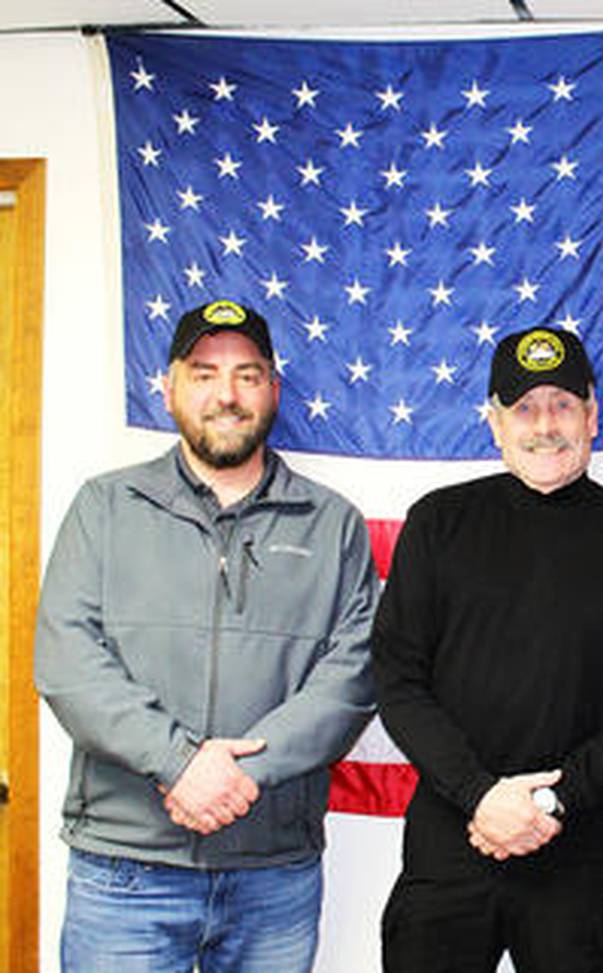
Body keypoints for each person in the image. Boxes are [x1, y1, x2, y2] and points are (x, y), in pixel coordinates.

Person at [34, 299, 379, 972]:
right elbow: (68, 660)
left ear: (274, 390)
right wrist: (179, 763)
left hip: (272, 874)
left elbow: (354, 674)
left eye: (248, 374)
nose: (227, 394)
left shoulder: (332, 523)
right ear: (167, 388)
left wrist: (237, 776)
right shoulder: (104, 507)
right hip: (125, 869)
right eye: (204, 373)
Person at [372, 326, 603, 973]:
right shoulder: (438, 522)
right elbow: (398, 678)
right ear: (495, 421)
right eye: (524, 408)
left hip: (580, 849)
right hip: (452, 840)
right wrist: (480, 795)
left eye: (563, 404)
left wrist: (552, 798)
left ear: (593, 415)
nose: (545, 424)